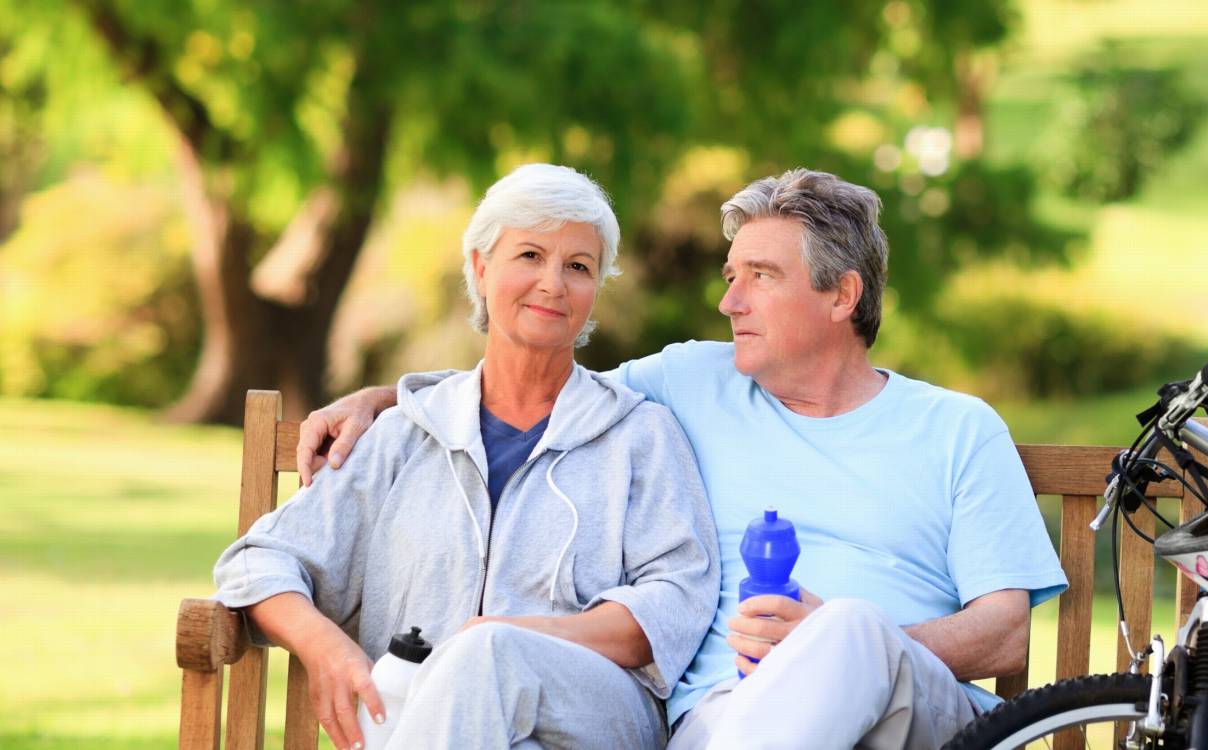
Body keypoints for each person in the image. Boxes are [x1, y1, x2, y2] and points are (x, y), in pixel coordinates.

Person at [300, 168, 1068, 748]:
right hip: (725, 723)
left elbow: (1005, 633)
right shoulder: (691, 381)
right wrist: (385, 400)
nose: (729, 302)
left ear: (842, 296)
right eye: (731, 277)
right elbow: (535, 377)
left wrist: (827, 640)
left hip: (910, 713)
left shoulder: (957, 429)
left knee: (850, 632)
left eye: (759, 278)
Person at [214, 164, 718, 749]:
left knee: (489, 654)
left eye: (578, 267)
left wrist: (511, 634)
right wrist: (324, 646)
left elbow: (675, 600)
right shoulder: (404, 435)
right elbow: (256, 562)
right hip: (430, 726)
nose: (553, 283)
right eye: (529, 255)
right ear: (480, 268)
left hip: (594, 721)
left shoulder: (640, 435)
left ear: (595, 289)